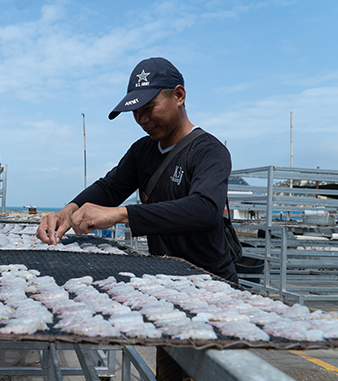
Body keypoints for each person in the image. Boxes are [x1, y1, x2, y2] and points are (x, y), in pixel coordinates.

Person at [36, 57, 238, 380]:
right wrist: (68, 210)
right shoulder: (142, 152)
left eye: (149, 107)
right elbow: (108, 188)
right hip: (168, 297)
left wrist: (121, 214)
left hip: (214, 298)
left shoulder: (209, 151)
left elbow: (203, 209)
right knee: (170, 373)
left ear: (179, 95)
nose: (142, 118)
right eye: (135, 112)